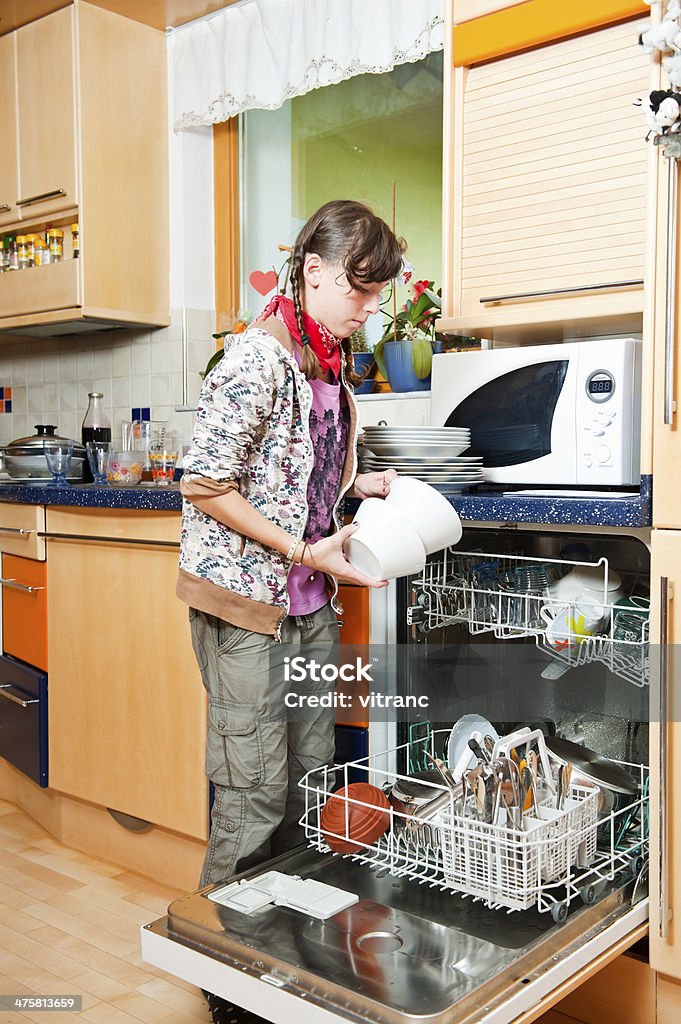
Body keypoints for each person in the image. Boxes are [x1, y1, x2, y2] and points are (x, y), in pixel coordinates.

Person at [177, 200, 406, 1023]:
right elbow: (205, 482)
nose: (369, 308)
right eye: (360, 290)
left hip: (305, 601)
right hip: (246, 603)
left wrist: (354, 485)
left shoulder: (325, 361)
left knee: (310, 781)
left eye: (378, 294)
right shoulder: (257, 359)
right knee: (254, 793)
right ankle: (225, 982)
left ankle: (280, 957)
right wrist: (304, 551)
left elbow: (293, 476)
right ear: (313, 270)